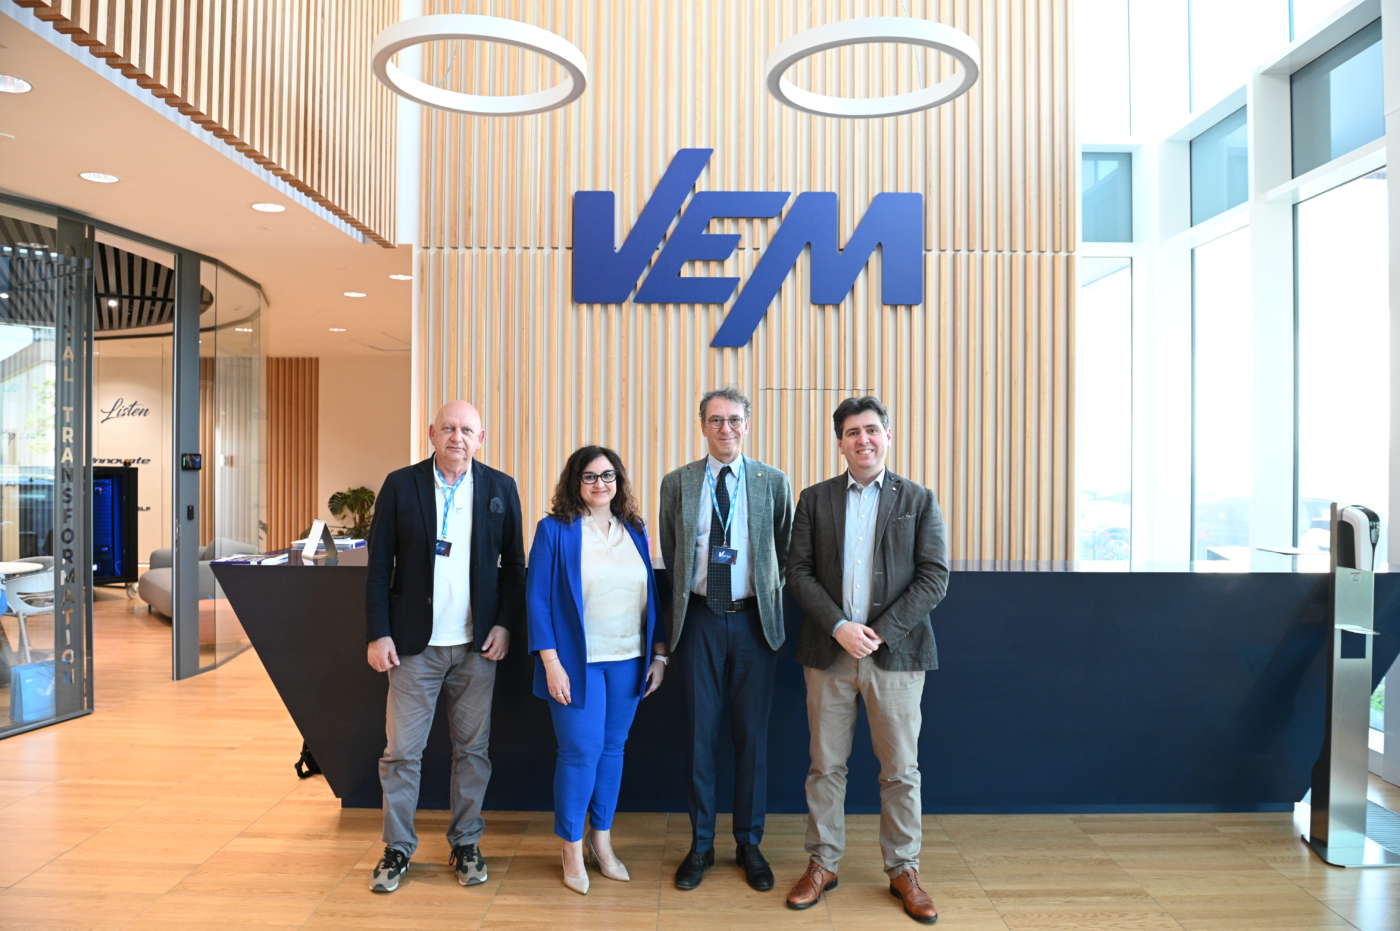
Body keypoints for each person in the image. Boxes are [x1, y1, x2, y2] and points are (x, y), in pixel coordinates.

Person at [784, 395, 949, 924]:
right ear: (840, 443)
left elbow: (934, 577)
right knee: (825, 766)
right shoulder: (815, 499)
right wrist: (839, 626)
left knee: (900, 770)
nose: (864, 440)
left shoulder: (918, 499)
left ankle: (904, 869)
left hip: (895, 656)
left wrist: (878, 633)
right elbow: (798, 572)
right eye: (853, 432)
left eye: (872, 430)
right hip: (828, 653)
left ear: (888, 436)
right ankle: (822, 864)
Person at [364, 400, 525, 893]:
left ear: (481, 438)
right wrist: (378, 632)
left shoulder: (500, 488)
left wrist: (504, 625)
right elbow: (378, 566)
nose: (458, 437)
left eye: (467, 430)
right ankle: (397, 848)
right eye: (449, 428)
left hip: (477, 647)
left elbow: (514, 567)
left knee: (472, 752)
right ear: (431, 433)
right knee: (401, 754)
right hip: (413, 648)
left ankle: (466, 842)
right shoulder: (401, 485)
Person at [658, 387, 793, 892]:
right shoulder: (678, 482)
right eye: (715, 420)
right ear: (702, 426)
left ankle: (749, 843)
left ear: (747, 425)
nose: (725, 429)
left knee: (751, 739)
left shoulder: (772, 481)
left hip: (754, 622)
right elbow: (673, 551)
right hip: (699, 621)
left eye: (734, 419)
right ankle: (700, 845)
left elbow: (783, 549)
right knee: (700, 737)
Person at [526, 445, 668, 895]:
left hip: (629, 660)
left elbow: (651, 596)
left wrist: (659, 655)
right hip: (575, 665)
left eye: (608, 476)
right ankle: (571, 847)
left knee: (612, 751)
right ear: (575, 482)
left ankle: (601, 841)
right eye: (589, 476)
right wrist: (551, 663)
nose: (600, 484)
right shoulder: (555, 531)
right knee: (579, 753)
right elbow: (537, 600)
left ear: (618, 481)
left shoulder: (635, 529)